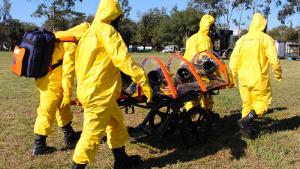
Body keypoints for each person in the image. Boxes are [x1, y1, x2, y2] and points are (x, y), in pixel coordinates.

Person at [71, 0, 152, 168]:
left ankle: (121, 160)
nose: (119, 22)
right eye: (119, 18)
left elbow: (79, 62)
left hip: (94, 90)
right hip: (99, 94)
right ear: (113, 15)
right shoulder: (107, 31)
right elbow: (124, 60)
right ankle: (77, 166)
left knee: (116, 124)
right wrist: (142, 80)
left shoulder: (88, 33)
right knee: (92, 135)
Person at [32, 23, 90, 155]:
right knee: (47, 110)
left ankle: (69, 135)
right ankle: (39, 145)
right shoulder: (71, 42)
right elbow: (68, 71)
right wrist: (68, 94)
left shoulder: (62, 35)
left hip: (48, 77)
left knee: (61, 107)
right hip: (51, 81)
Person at [229, 13, 282, 139]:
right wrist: (278, 74)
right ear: (263, 25)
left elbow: (233, 60)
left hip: (243, 79)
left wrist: (232, 77)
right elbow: (274, 60)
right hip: (259, 79)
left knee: (247, 105)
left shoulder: (242, 40)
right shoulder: (266, 39)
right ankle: (246, 121)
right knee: (262, 103)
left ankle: (246, 132)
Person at [183, 14, 219, 119]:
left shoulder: (191, 38)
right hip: (199, 71)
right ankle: (207, 114)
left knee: (191, 95)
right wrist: (216, 74)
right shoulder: (205, 39)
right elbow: (206, 58)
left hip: (187, 70)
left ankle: (189, 115)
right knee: (206, 93)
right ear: (209, 27)